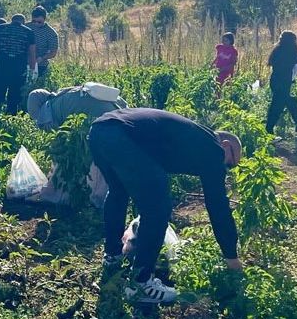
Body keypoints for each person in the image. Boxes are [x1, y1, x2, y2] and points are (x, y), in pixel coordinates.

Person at [88, 108, 243, 304]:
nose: (226, 169)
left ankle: (113, 255)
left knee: (118, 190)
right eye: (230, 164)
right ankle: (141, 284)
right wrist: (232, 257)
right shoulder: (213, 148)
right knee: (158, 207)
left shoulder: (193, 137)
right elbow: (217, 205)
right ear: (226, 145)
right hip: (118, 134)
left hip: (99, 130)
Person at [26, 85, 128, 206]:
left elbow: (61, 150)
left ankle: (94, 201)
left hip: (105, 121)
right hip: (122, 114)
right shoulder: (63, 94)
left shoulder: (49, 110)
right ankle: (105, 197)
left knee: (96, 161)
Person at [265, 31, 297, 138]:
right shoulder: (294, 52)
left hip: (274, 81)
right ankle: (268, 130)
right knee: (278, 106)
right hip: (285, 82)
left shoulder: (276, 50)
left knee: (289, 101)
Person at [0, 14, 36, 114]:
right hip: (18, 70)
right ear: (23, 22)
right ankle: (10, 121)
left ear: (11, 20)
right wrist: (32, 70)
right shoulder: (29, 32)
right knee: (14, 99)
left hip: (1, 68)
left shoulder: (0, 28)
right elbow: (32, 54)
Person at [26, 6, 59, 77]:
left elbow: (53, 52)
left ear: (44, 19)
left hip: (41, 66)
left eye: (39, 22)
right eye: (34, 21)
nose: (36, 24)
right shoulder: (26, 27)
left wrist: (42, 58)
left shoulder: (51, 33)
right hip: (24, 63)